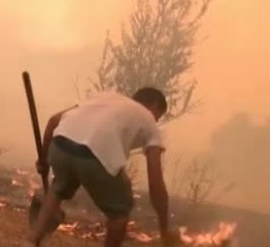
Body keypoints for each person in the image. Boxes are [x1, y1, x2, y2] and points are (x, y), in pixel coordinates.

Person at [27, 88, 180, 247]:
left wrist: (43, 160)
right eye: (158, 116)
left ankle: (31, 240)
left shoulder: (105, 98)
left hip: (60, 145)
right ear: (154, 108)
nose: (155, 120)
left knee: (58, 188)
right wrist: (164, 228)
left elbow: (53, 121)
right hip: (94, 156)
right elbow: (156, 181)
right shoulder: (148, 119)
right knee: (120, 212)